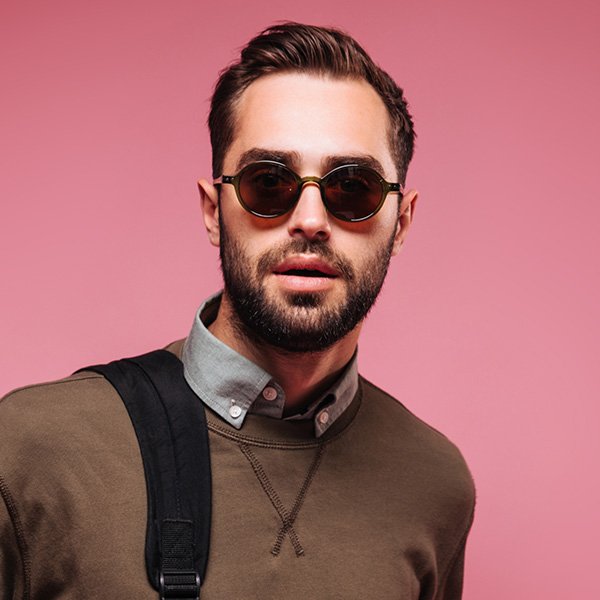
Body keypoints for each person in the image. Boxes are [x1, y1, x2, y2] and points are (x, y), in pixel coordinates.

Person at [0, 22, 475, 600]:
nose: (309, 220)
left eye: (352, 188)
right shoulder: (29, 449)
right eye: (268, 182)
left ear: (400, 223)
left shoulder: (435, 484)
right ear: (213, 211)